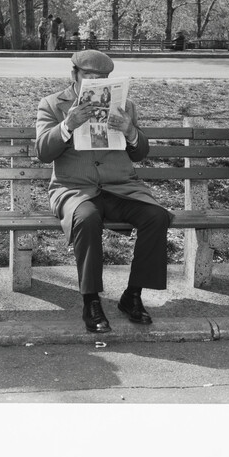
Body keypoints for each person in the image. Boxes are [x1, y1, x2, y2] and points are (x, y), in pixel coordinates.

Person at [35, 49, 173, 333]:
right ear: (74, 74)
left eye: (102, 78)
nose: (95, 82)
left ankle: (132, 295)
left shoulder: (125, 105)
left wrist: (130, 131)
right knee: (87, 219)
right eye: (89, 76)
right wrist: (67, 125)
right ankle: (91, 300)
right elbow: (43, 153)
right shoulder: (52, 104)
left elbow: (140, 154)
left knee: (157, 217)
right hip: (75, 188)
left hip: (121, 187)